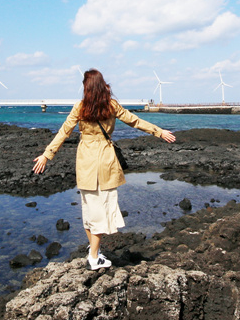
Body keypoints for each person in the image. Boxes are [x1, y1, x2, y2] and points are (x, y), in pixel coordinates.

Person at [32, 69, 176, 270]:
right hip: (106, 161)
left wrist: (47, 155)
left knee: (89, 208)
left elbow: (63, 132)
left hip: (86, 161)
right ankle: (93, 255)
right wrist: (158, 131)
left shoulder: (80, 107)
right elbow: (135, 121)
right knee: (101, 209)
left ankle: (94, 253)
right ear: (102, 86)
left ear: (86, 87)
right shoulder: (111, 105)